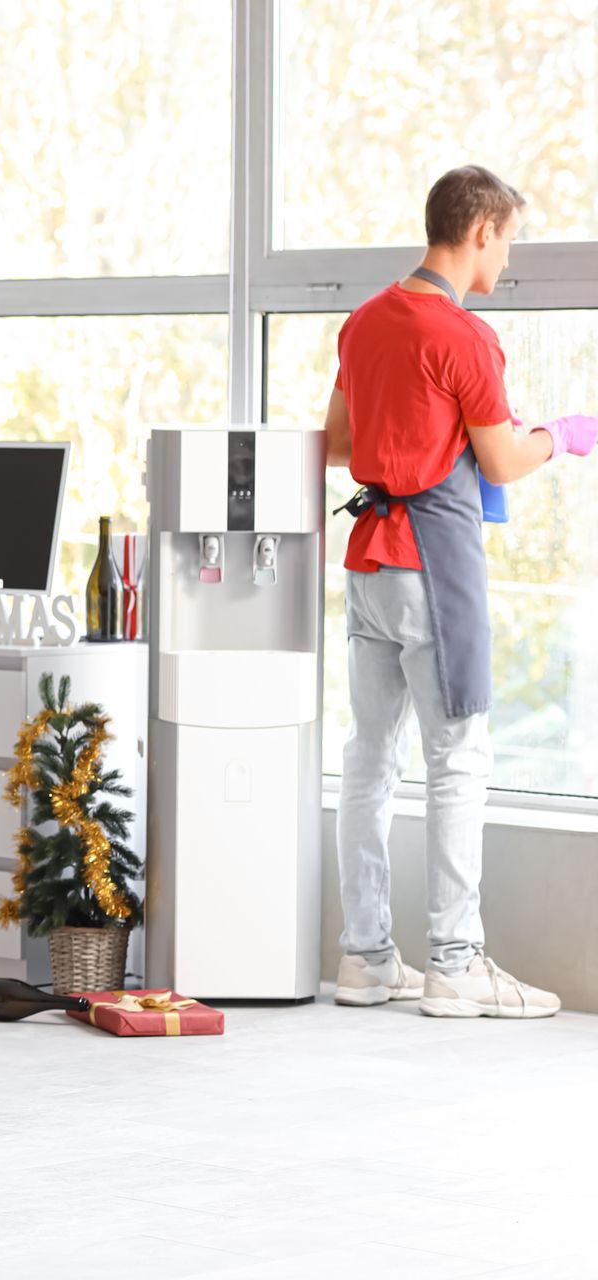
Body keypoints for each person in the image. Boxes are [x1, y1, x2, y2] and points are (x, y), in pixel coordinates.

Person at [326, 166, 590, 1018]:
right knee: (459, 763)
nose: (507, 260)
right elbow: (507, 459)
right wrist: (565, 434)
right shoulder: (465, 338)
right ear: (478, 231)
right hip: (434, 565)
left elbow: (337, 443)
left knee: (369, 762)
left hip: (367, 562)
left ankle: (365, 957)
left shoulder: (363, 323)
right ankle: (454, 963)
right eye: (507, 240)